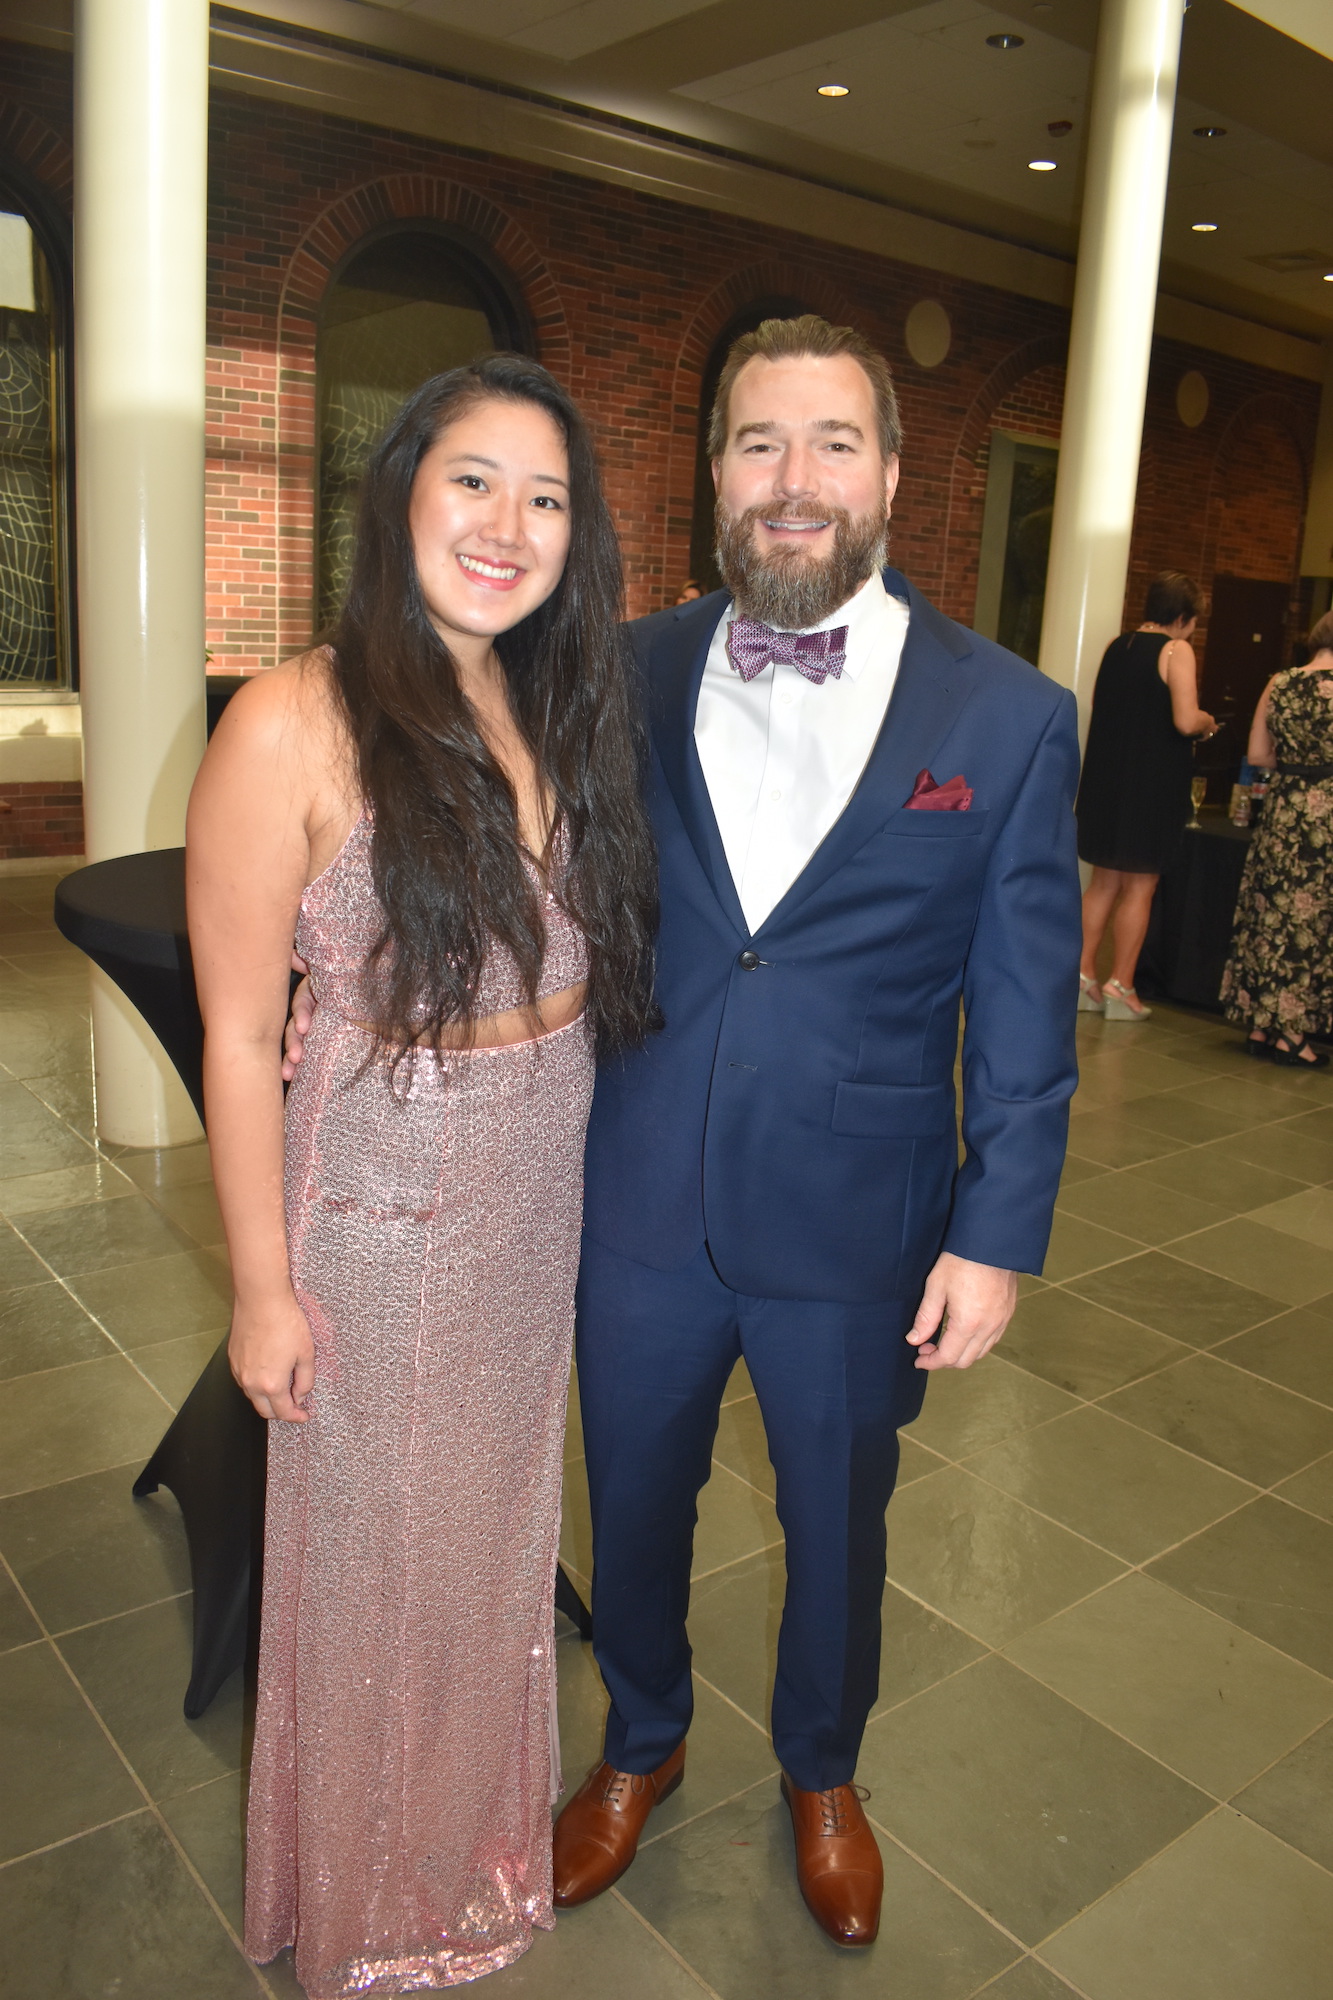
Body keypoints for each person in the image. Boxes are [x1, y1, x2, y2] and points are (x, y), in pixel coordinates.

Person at [286, 315, 1082, 1952]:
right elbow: (487, 844)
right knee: (634, 1503)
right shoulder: (616, 668)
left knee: (837, 1523)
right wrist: (341, 981)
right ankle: (640, 1741)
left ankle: (822, 1774)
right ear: (714, 471)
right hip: (632, 1191)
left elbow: (1024, 1001)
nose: (793, 480)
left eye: (832, 443)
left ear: (890, 474)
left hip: (857, 1224)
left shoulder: (1006, 719)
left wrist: (996, 1232)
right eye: (757, 442)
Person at [188, 354, 658, 1997]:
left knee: (489, 1546)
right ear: (399, 492)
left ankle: (468, 1851)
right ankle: (367, 1903)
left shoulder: (549, 699)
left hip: (534, 1191)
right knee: (376, 1568)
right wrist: (262, 1288)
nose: (507, 524)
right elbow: (238, 1034)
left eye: (546, 498)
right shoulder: (293, 719)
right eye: (474, 480)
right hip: (380, 1208)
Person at [1073, 572, 1217, 1019]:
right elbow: (1185, 719)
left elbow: (1102, 705)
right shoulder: (1176, 650)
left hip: (1108, 780)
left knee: (1103, 882)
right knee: (1141, 885)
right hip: (1151, 784)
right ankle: (1121, 986)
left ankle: (1081, 978)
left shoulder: (1118, 646)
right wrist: (1208, 724)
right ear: (1183, 616)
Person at [1221, 609, 1333, 1066]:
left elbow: (1257, 754)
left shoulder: (1280, 681)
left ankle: (1259, 1024)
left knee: (1269, 912)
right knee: (1309, 921)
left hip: (1283, 809)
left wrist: (1294, 766)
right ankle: (1292, 1034)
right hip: (1325, 814)